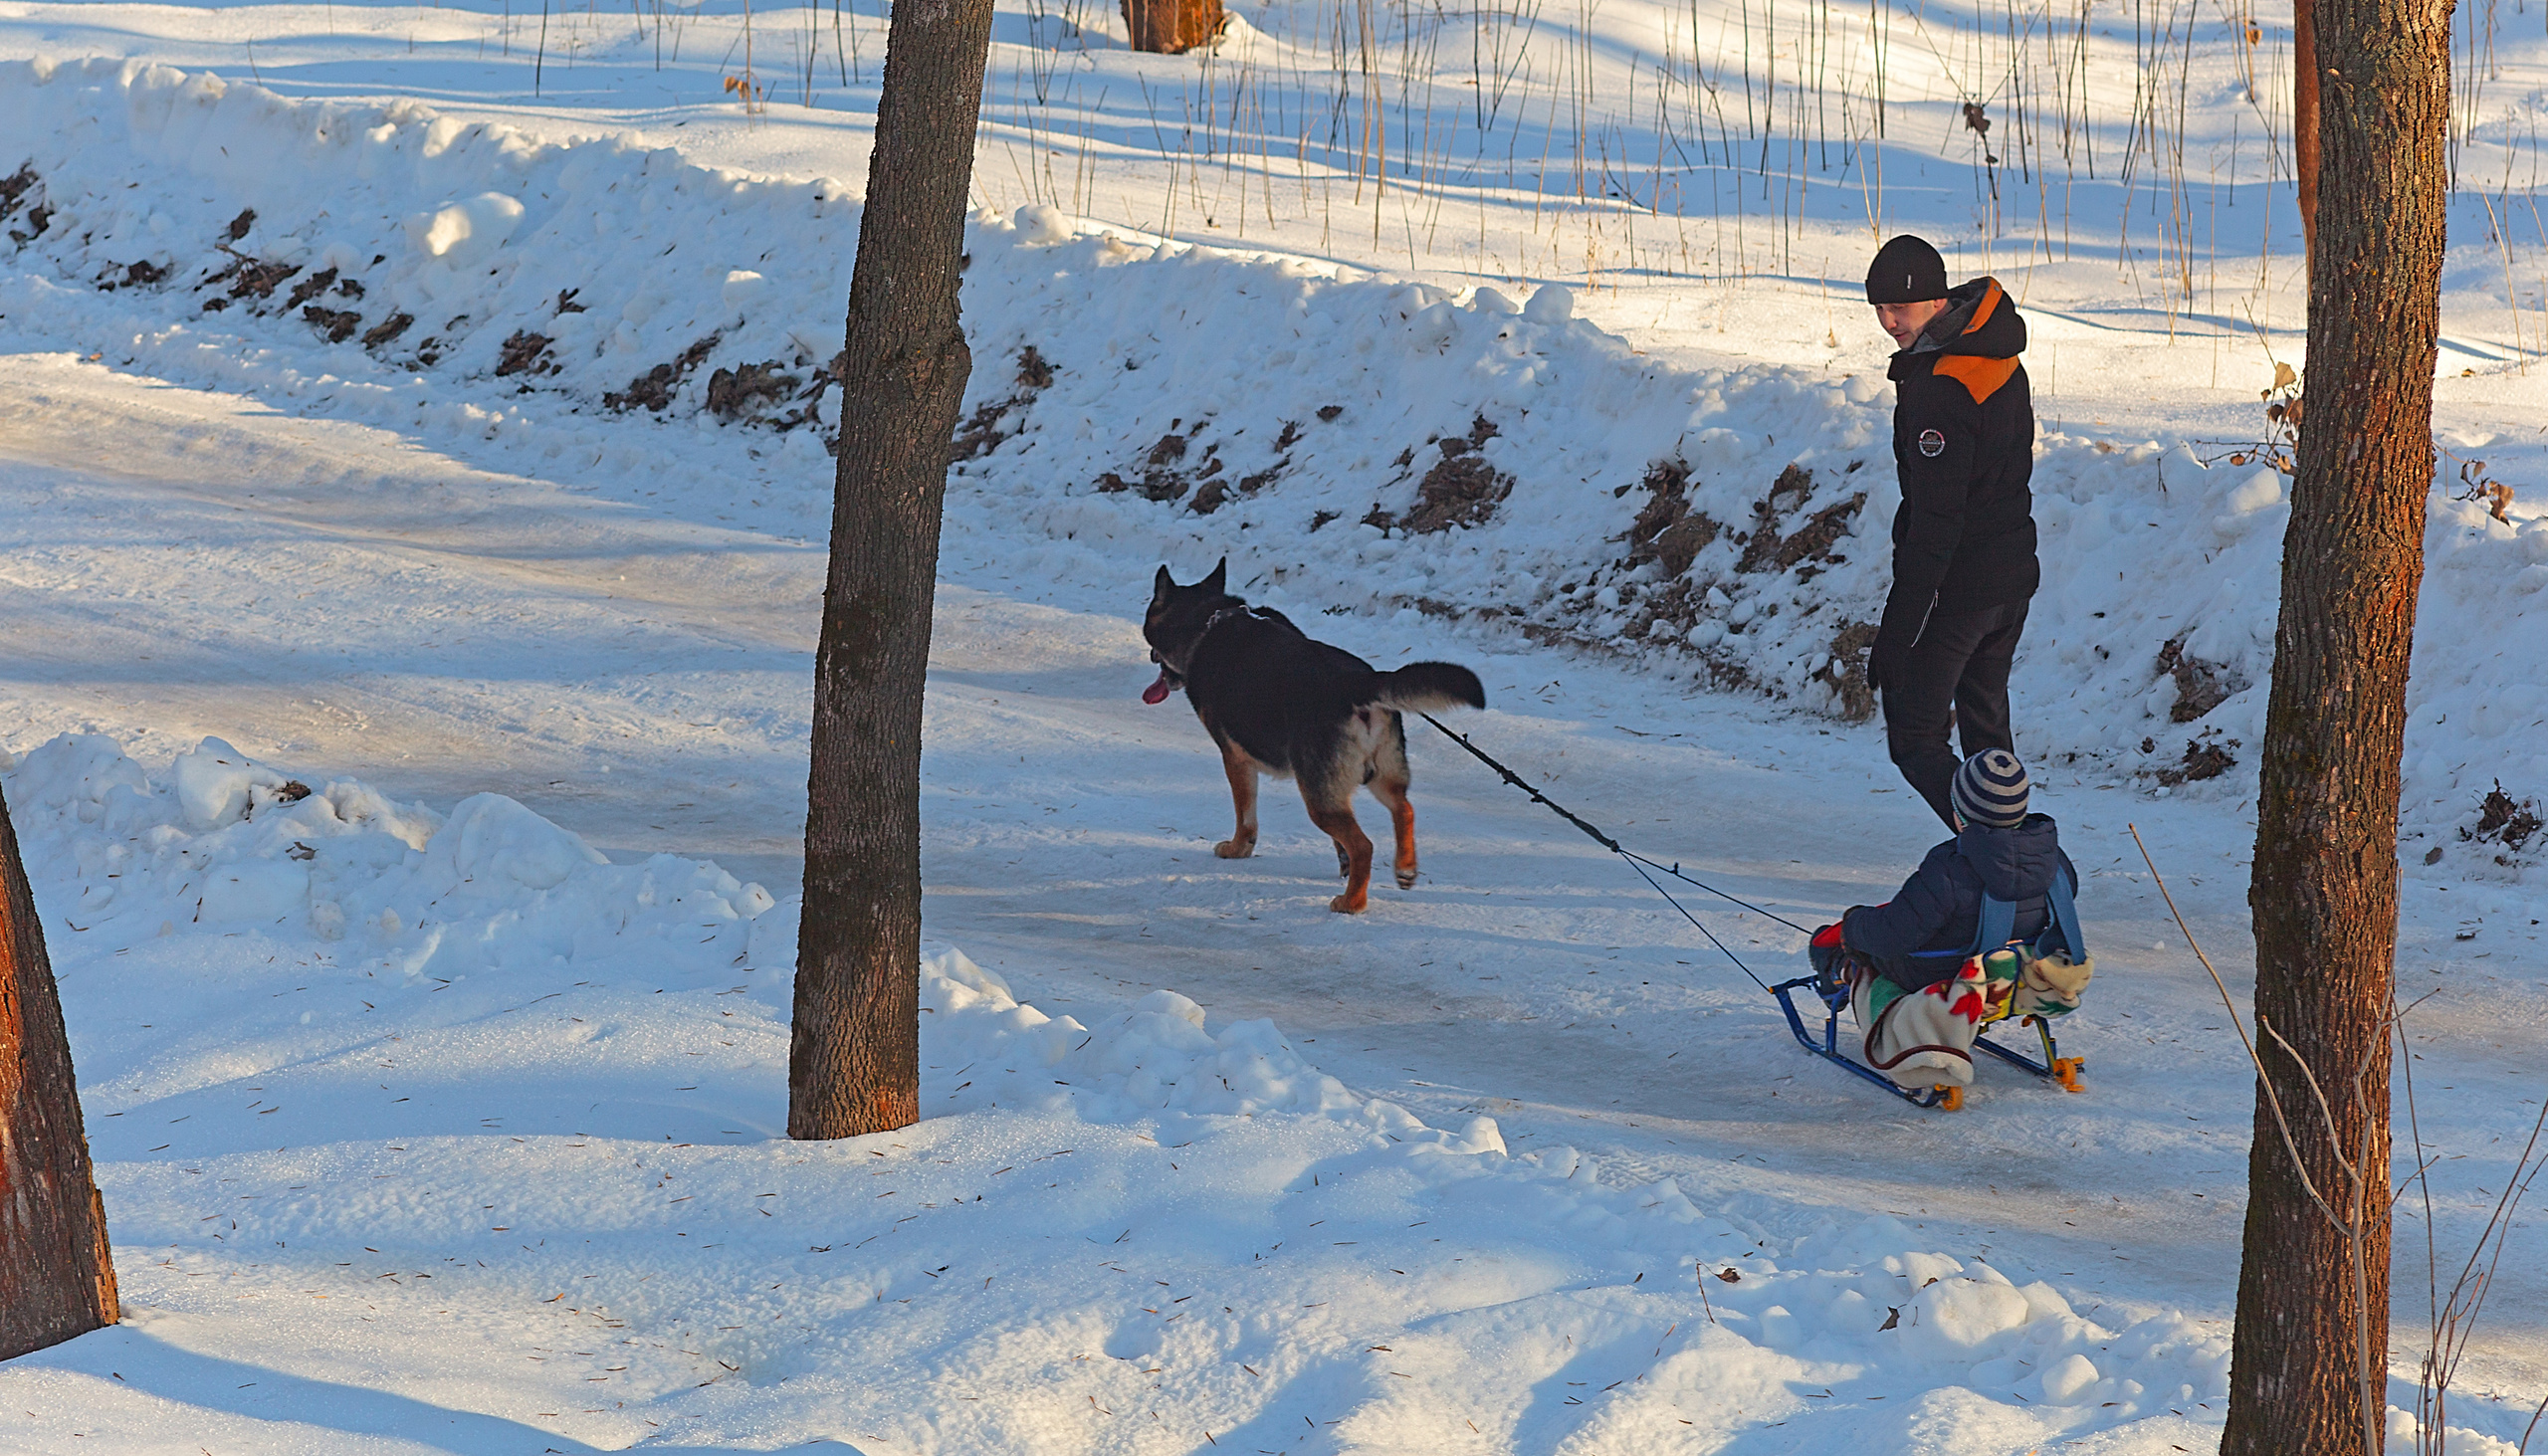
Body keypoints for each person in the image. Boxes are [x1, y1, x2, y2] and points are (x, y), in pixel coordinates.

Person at [1864, 234, 2039, 831]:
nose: (1889, 323)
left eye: (1900, 310)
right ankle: (2014, 861)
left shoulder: (1942, 387)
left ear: (1936, 301)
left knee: (1914, 735)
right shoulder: (1992, 351)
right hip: (2010, 578)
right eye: (1880, 310)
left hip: (1963, 587)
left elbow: (1938, 521)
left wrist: (1898, 631)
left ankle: (1999, 866)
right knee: (1986, 729)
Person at [1806, 750, 2089, 1090]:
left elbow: (1891, 936)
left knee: (1863, 949)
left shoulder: (1948, 870)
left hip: (1944, 979)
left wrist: (1853, 925)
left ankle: (1840, 972)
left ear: (1959, 816)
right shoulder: (2057, 864)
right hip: (2016, 979)